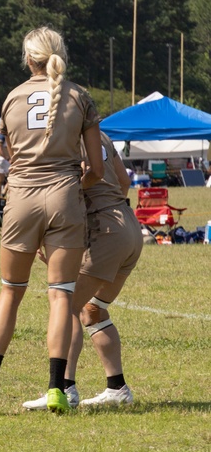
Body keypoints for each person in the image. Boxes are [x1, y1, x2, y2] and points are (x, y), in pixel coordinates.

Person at [0, 27, 104, 413]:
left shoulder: (12, 97)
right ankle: (57, 387)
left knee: (10, 290)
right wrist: (75, 186)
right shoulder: (80, 96)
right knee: (60, 294)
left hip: (22, 199)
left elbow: (6, 157)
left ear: (28, 59)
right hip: (64, 197)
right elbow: (96, 168)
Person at [22, 130, 142, 409]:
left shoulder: (64, 138)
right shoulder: (100, 135)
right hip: (128, 226)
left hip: (105, 230)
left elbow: (87, 176)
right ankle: (117, 389)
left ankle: (64, 389)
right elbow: (123, 181)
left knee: (67, 308)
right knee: (92, 309)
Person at [0, 131, 10, 197]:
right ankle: (3, 192)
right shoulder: (1, 136)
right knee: (13, 177)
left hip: (1, 159)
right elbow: (0, 148)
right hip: (3, 159)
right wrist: (7, 158)